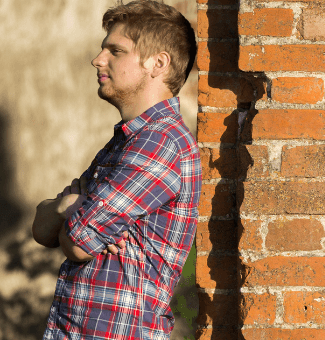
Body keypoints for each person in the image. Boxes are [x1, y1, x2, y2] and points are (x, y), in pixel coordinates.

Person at [31, 1, 200, 338]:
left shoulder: (159, 143)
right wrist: (70, 208)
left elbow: (77, 241)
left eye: (115, 50)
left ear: (158, 63)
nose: (98, 59)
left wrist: (75, 212)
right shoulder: (127, 140)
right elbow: (42, 229)